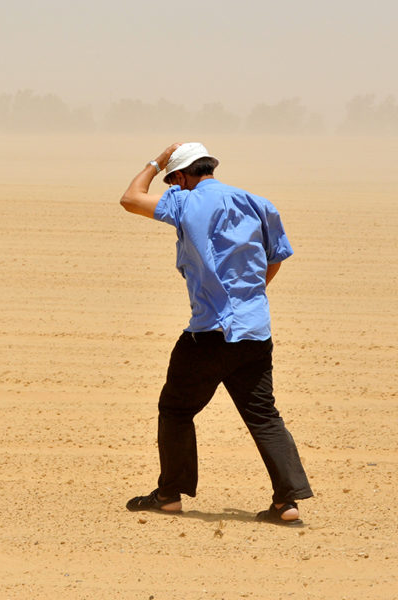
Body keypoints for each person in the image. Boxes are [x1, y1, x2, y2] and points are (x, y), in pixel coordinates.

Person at [118, 142, 313, 526]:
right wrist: (247, 301)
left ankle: (170, 495)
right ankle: (287, 503)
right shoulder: (258, 203)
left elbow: (130, 198)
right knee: (264, 416)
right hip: (254, 331)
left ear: (180, 176)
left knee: (175, 410)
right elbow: (274, 259)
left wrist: (156, 161)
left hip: (207, 333)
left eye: (173, 178)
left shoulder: (181, 201)